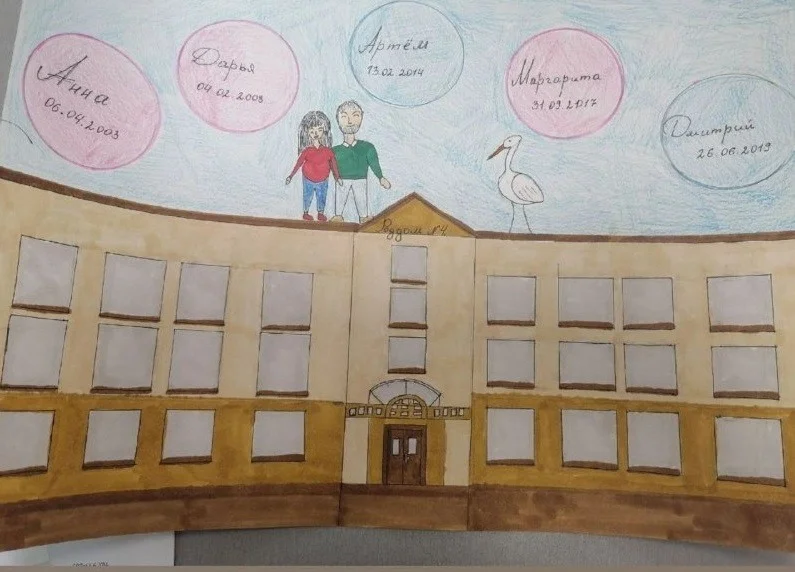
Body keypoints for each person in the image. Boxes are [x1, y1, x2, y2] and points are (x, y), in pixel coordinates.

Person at [330, 100, 391, 223]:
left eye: (355, 115)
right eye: (344, 116)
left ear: (361, 118)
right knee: (340, 198)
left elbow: (373, 163)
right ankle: (338, 215)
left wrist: (380, 177)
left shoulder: (367, 147)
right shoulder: (334, 151)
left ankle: (363, 217)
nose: (350, 121)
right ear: (338, 120)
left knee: (361, 198)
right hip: (342, 179)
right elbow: (329, 165)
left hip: (361, 179)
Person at [286, 111, 341, 222]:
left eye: (319, 130)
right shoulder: (307, 150)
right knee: (307, 196)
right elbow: (298, 163)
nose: (316, 133)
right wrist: (290, 176)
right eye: (312, 131)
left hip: (323, 180)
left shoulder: (327, 150)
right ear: (307, 133)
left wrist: (337, 177)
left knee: (322, 197)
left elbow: (333, 164)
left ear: (324, 131)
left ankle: (320, 213)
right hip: (308, 179)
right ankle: (306, 213)